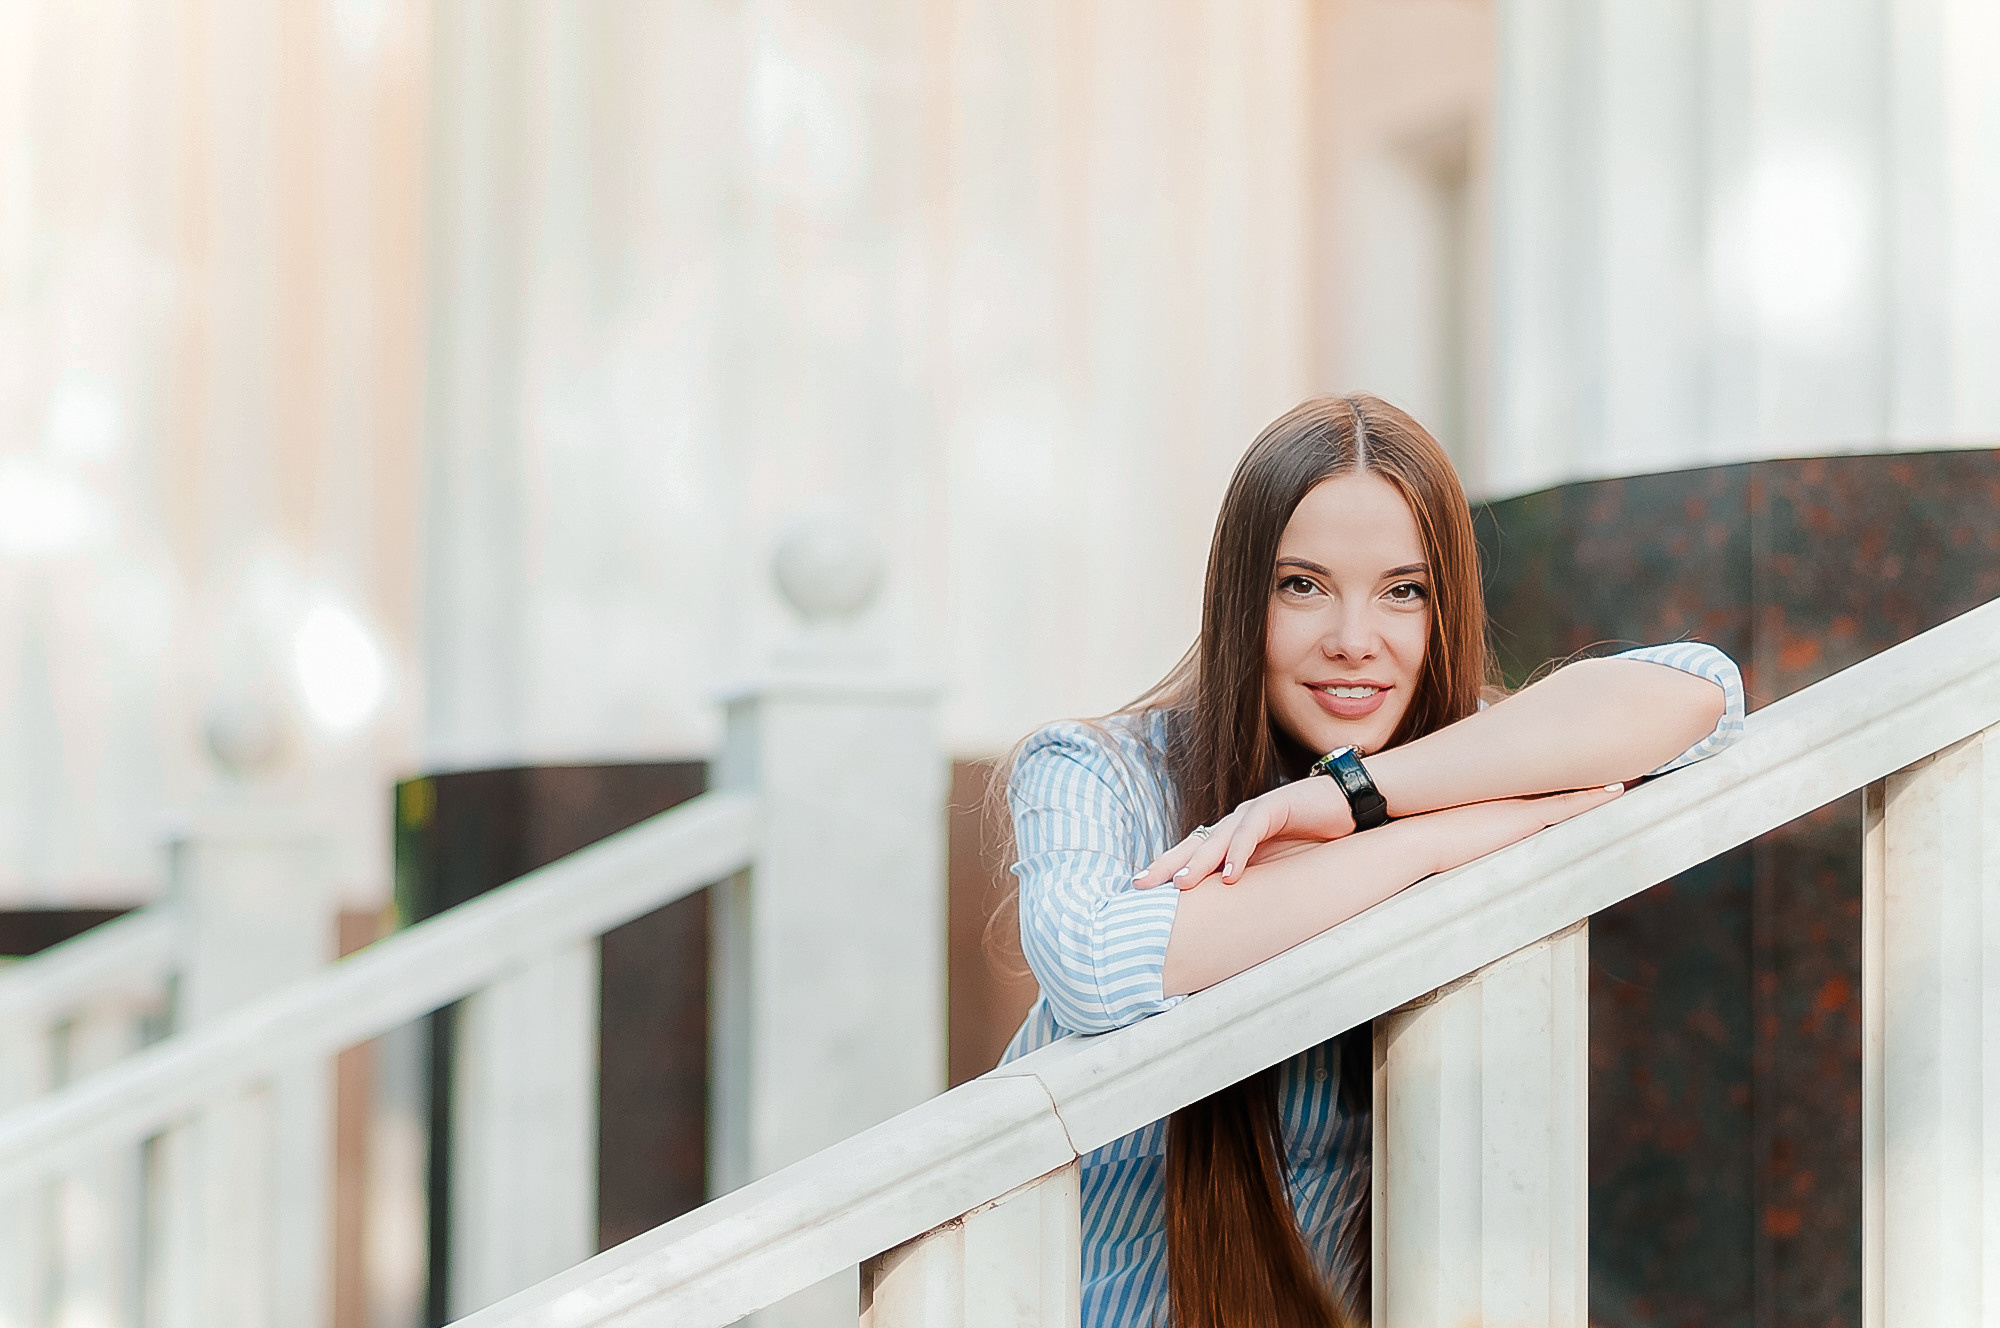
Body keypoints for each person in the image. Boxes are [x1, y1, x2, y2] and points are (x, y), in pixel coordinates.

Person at [997, 394, 1744, 1328]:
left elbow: (1703, 694)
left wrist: (1347, 798)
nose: (1354, 638)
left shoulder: (1458, 761)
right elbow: (1101, 972)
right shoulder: (1094, 771)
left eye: (1404, 590)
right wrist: (1427, 843)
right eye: (1302, 585)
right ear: (1241, 600)